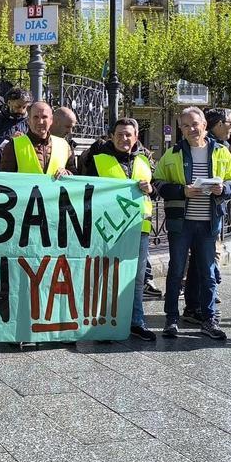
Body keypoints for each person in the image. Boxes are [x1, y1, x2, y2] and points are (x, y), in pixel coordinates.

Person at [154, 106, 231, 340]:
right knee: (175, 272)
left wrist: (224, 188)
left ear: (204, 125)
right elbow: (158, 183)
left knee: (208, 273)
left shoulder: (221, 152)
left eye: (195, 124)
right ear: (181, 129)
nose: (192, 129)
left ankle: (209, 319)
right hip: (181, 223)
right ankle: (171, 320)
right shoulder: (172, 154)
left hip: (209, 222)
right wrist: (182, 191)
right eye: (186, 125)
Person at [82, 118, 156, 341]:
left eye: (129, 135)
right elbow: (86, 190)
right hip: (108, 228)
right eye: (120, 134)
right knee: (105, 276)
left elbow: (156, 191)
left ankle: (136, 321)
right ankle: (103, 323)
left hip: (139, 227)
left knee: (136, 278)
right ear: (112, 136)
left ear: (136, 138)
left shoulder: (144, 161)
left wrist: (150, 189)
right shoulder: (97, 160)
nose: (124, 139)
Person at [0, 101, 75, 176]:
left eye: (44, 117)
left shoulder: (64, 146)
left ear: (51, 120)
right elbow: (4, 180)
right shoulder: (13, 145)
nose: (40, 122)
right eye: (36, 117)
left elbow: (76, 178)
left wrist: (67, 173)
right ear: (29, 121)